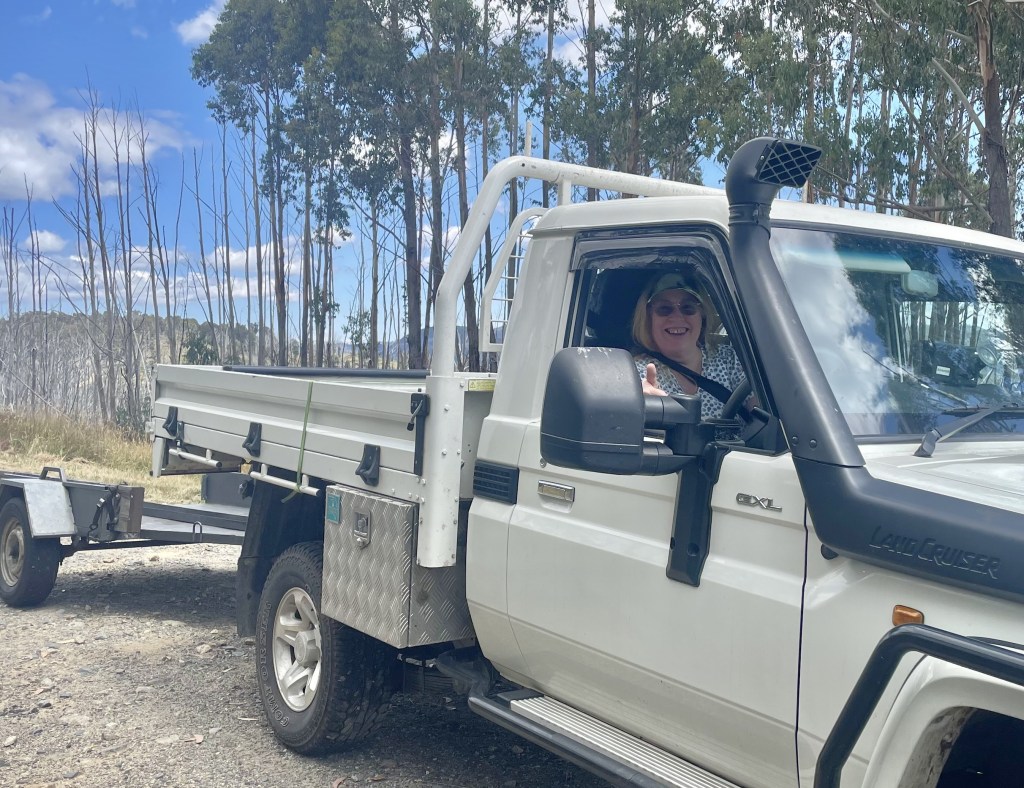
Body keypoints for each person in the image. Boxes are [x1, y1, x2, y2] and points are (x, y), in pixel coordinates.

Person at [632, 272, 747, 420]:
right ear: (649, 318)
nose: (677, 317)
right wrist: (637, 405)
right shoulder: (634, 374)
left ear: (702, 315)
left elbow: (765, 420)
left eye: (688, 307)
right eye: (664, 309)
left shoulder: (731, 359)